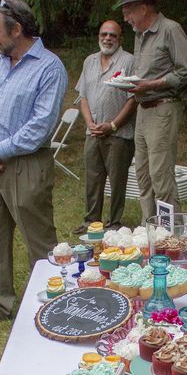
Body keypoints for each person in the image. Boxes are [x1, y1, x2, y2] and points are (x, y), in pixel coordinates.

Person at [0, 0, 67, 323]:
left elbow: (41, 126)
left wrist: (2, 152)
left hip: (26, 164)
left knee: (39, 239)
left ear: (17, 29)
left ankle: (54, 300)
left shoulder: (49, 67)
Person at [119, 0, 187, 217]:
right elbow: (144, 74)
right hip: (143, 109)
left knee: (161, 177)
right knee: (143, 175)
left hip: (163, 108)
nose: (125, 17)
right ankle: (148, 232)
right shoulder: (139, 35)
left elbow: (185, 73)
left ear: (143, 9)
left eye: (128, 10)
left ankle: (173, 235)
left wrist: (149, 85)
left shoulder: (171, 29)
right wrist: (131, 83)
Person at [74, 20, 136, 233]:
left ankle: (115, 222)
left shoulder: (129, 61)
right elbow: (82, 96)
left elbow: (132, 99)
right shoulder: (89, 61)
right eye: (103, 34)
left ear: (120, 39)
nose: (107, 38)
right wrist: (89, 122)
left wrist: (113, 125)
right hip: (92, 132)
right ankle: (91, 221)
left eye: (112, 35)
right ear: (99, 36)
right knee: (93, 178)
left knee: (117, 179)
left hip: (119, 133)